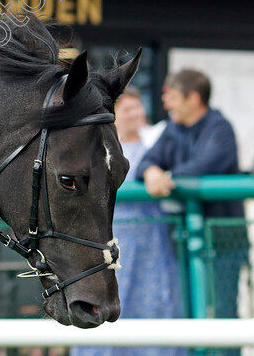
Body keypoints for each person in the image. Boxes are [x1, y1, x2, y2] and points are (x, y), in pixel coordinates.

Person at [71, 87, 186, 356]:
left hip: (153, 242)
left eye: (138, 107)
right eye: (127, 109)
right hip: (112, 240)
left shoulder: (156, 146)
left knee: (157, 298)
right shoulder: (95, 152)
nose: (135, 114)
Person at [136, 69, 245, 326]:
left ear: (193, 99)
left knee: (222, 313)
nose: (166, 103)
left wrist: (166, 176)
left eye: (172, 97)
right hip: (184, 240)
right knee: (186, 312)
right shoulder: (174, 127)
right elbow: (146, 162)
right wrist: (152, 172)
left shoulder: (220, 127)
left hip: (223, 242)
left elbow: (205, 165)